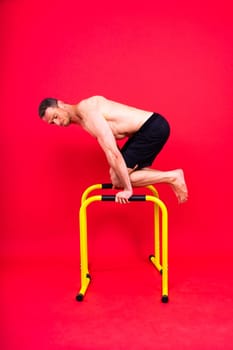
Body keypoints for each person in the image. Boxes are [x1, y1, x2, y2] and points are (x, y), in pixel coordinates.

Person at [38, 95, 188, 204]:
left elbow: (112, 152)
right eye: (53, 122)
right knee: (116, 177)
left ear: (61, 104)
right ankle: (172, 177)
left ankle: (173, 177)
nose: (58, 123)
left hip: (152, 128)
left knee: (117, 178)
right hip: (146, 131)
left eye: (56, 116)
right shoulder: (83, 122)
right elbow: (112, 149)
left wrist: (128, 189)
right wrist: (118, 175)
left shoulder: (87, 109)